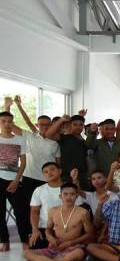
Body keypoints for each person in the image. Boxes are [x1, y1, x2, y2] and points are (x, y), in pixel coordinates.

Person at [5, 96, 60, 230]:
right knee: (28, 209)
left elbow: (58, 164)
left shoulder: (55, 143)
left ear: (52, 125)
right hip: (29, 178)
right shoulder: (29, 136)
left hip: (47, 180)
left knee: (46, 209)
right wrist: (8, 107)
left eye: (48, 124)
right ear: (37, 125)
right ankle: (31, 234)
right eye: (42, 124)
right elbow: (10, 126)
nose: (45, 127)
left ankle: (46, 233)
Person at [23, 182, 92, 261]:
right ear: (60, 196)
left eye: (72, 194)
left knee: (79, 253)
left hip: (74, 246)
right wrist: (49, 236)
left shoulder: (83, 212)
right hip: (56, 245)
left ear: (77, 196)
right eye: (65, 194)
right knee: (26, 253)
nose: (68, 197)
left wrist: (70, 243)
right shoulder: (53, 211)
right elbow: (48, 229)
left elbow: (89, 234)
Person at [28, 162, 82, 250]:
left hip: (67, 229)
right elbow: (34, 212)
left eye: (52, 170)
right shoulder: (39, 190)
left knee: (72, 250)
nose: (49, 173)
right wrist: (35, 230)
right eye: (46, 172)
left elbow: (79, 209)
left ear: (60, 171)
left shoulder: (69, 188)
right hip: (45, 228)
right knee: (33, 250)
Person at [0, 109, 28, 251]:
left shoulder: (20, 139)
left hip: (14, 180)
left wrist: (17, 180)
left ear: (13, 123)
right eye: (3, 121)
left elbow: (23, 162)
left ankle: (25, 242)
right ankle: (5, 241)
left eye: (10, 121)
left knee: (20, 212)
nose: (7, 124)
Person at [46, 113, 90, 189]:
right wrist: (61, 120)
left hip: (82, 176)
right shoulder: (65, 138)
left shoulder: (83, 141)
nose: (78, 127)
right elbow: (48, 134)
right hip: (67, 177)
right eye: (75, 124)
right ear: (70, 125)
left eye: (80, 125)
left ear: (83, 126)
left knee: (83, 196)